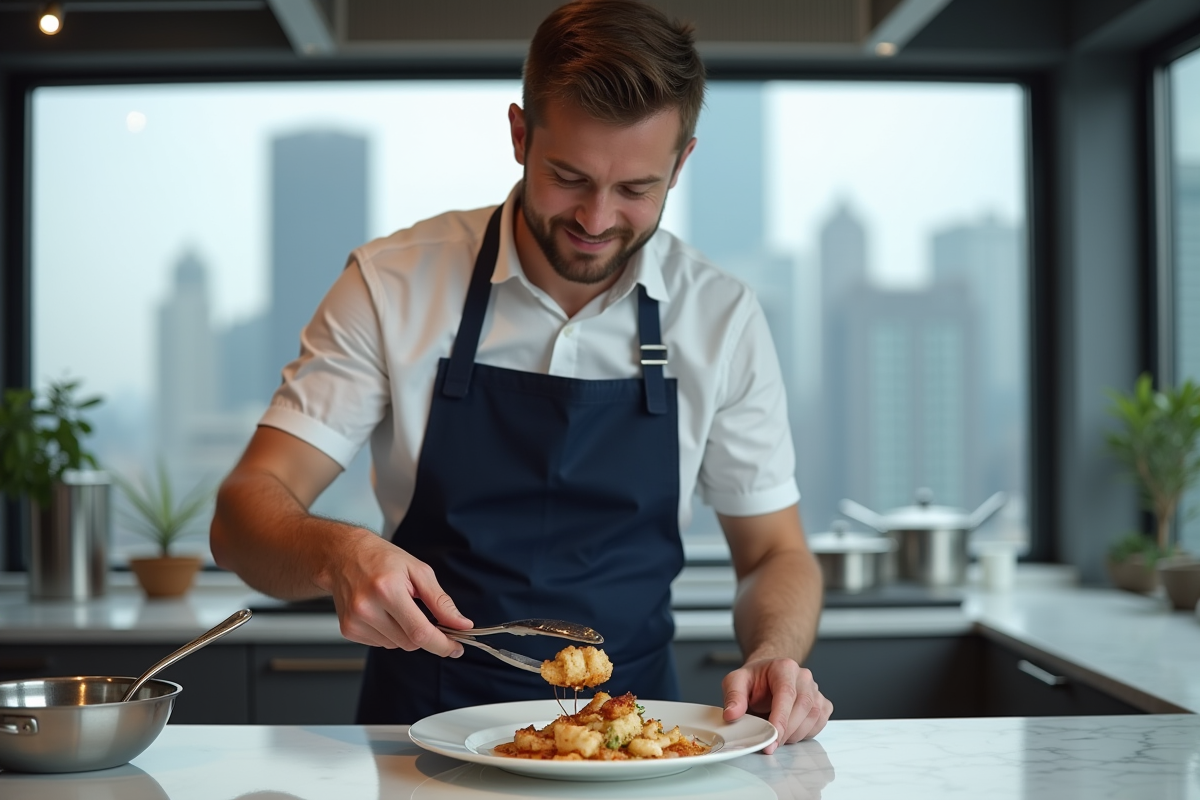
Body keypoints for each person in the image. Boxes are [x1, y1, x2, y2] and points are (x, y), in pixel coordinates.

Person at [210, 0, 832, 751]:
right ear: (519, 134)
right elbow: (243, 515)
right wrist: (338, 555)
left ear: (682, 162)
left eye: (636, 189)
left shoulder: (721, 317)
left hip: (635, 742)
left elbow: (775, 553)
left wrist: (776, 653)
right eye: (569, 177)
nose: (598, 219)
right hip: (419, 738)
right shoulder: (392, 283)